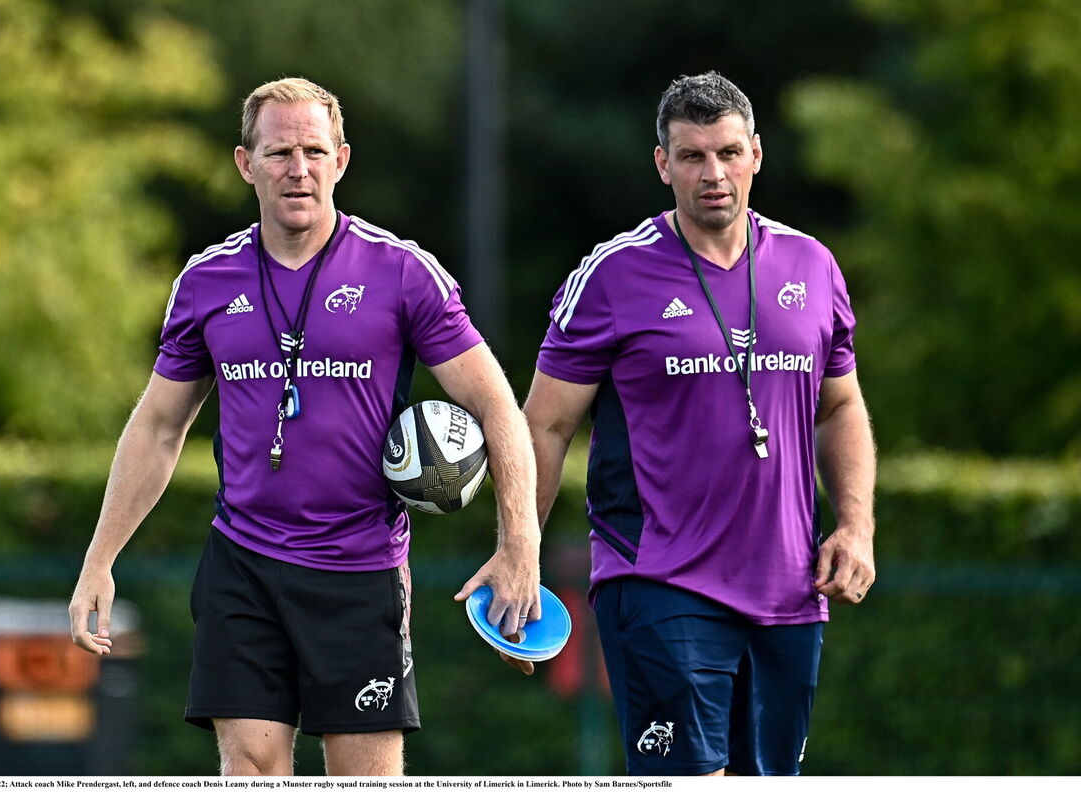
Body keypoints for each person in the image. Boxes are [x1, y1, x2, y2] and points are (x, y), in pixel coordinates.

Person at [68, 77, 541, 777]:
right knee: (250, 765)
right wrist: (98, 559)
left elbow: (496, 405)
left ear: (341, 160)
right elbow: (158, 427)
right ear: (244, 162)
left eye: (315, 151)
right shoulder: (206, 280)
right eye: (280, 151)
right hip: (244, 562)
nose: (299, 169)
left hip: (360, 570)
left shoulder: (403, 271)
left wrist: (520, 540)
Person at [522, 71, 876, 776]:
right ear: (663, 165)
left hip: (788, 590)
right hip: (658, 579)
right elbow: (544, 426)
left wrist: (856, 523)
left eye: (727, 152)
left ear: (756, 155)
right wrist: (520, 554)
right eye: (691, 156)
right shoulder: (612, 277)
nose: (712, 173)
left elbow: (840, 405)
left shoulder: (812, 263)